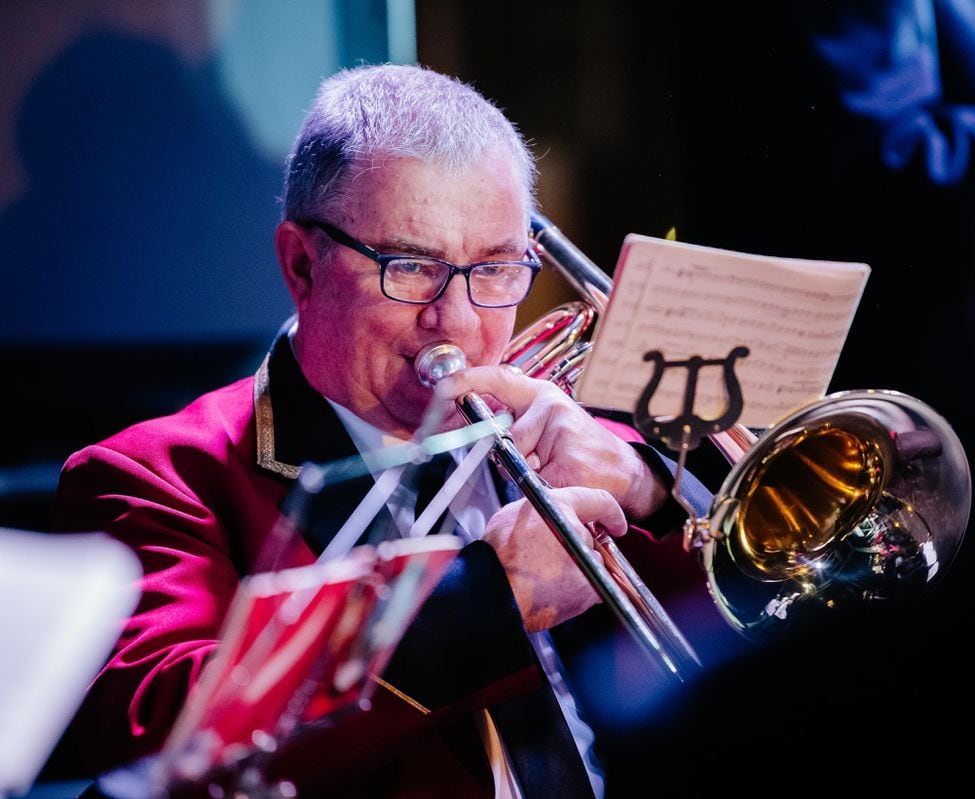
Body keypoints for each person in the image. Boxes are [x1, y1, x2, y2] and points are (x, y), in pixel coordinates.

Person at [48, 63, 715, 798]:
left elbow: (752, 635)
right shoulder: (162, 476)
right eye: (410, 266)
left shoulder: (563, 431)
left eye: (494, 269)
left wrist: (650, 485)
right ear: (302, 264)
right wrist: (485, 596)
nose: (457, 322)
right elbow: (162, 743)